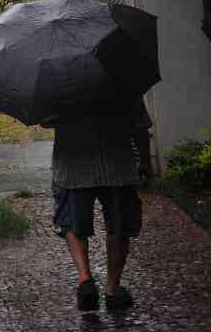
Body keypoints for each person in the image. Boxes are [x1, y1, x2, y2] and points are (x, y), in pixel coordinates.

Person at [51, 98, 153, 312]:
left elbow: (45, 120)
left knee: (71, 222)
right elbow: (140, 125)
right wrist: (145, 161)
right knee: (119, 225)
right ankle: (113, 290)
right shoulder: (122, 75)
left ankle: (85, 280)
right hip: (117, 164)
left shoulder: (57, 77)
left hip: (72, 165)